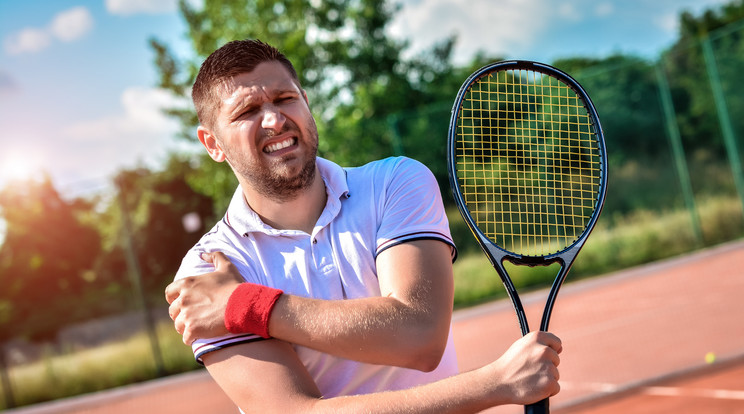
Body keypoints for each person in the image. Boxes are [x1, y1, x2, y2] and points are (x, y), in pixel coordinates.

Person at [165, 39, 561, 413]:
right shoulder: (207, 275)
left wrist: (245, 307)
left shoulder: (395, 182)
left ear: (307, 104)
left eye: (286, 98)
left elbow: (419, 337)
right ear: (212, 143)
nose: (274, 118)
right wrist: (494, 383)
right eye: (246, 111)